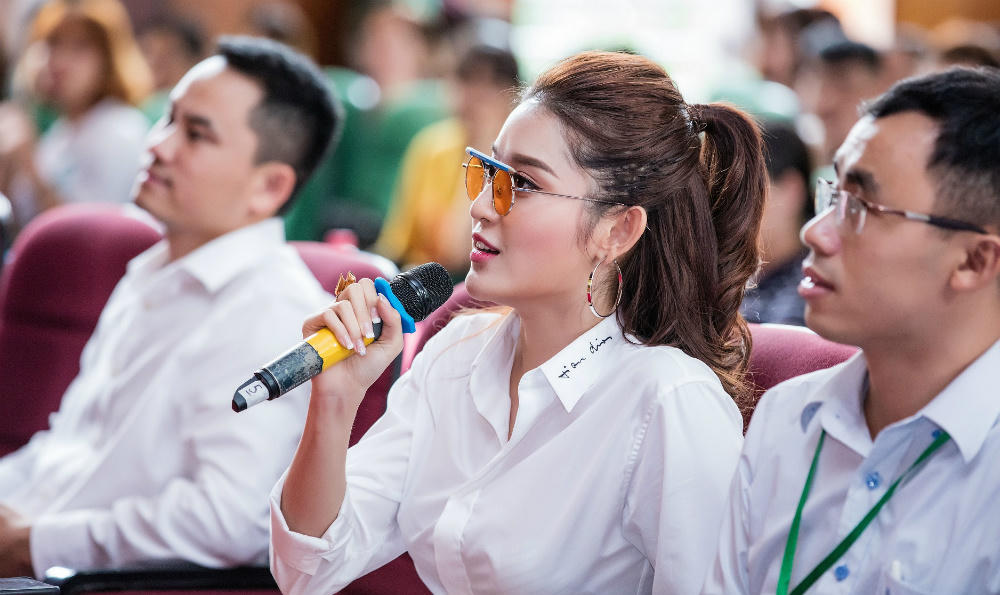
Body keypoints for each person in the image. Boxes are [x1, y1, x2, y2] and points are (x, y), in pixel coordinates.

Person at [270, 50, 767, 594]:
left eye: (522, 184)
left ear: (617, 231)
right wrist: (335, 399)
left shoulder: (667, 400)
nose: (482, 206)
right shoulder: (457, 353)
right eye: (488, 172)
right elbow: (306, 571)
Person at [0, 36, 338, 578]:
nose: (158, 145)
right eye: (168, 119)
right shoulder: (152, 271)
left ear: (269, 186)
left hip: (69, 579)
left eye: (196, 134)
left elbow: (228, 520)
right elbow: (68, 449)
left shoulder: (277, 313)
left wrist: (35, 543)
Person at [703, 67, 1000, 594]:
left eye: (861, 207)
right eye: (833, 194)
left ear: (974, 260)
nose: (815, 232)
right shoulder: (786, 417)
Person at [0, 0, 152, 230]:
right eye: (53, 43)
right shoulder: (60, 133)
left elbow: (86, 234)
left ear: (108, 58)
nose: (60, 61)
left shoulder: (120, 128)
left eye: (80, 47)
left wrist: (29, 162)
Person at [374, 44, 519, 278]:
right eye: (466, 80)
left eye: (489, 86)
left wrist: (484, 149)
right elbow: (395, 244)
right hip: (420, 277)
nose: (474, 96)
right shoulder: (431, 146)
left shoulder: (516, 162)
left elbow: (455, 252)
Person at [741, 121, 813, 326]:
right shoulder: (738, 279)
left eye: (744, 192)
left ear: (791, 190)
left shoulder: (812, 286)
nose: (729, 210)